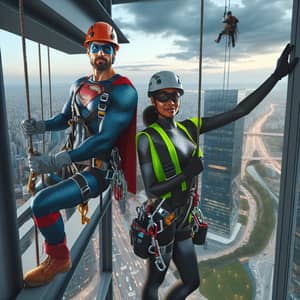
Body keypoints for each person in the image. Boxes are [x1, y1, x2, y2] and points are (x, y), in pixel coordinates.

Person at [135, 44, 298, 300]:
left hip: (184, 217)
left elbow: (239, 111)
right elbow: (152, 189)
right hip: (165, 218)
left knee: (192, 281)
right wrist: (187, 173)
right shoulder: (146, 139)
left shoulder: (190, 127)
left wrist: (276, 76)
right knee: (155, 281)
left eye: (174, 96)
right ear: (153, 101)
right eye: (163, 97)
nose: (170, 102)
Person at [21, 21, 138, 287]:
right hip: (72, 161)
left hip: (97, 170)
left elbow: (103, 140)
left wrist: (56, 160)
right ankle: (58, 230)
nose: (101, 53)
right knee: (39, 189)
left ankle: (59, 257)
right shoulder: (79, 85)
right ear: (88, 50)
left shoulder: (123, 92)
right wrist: (41, 126)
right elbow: (65, 118)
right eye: (96, 47)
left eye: (107, 48)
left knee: (40, 203)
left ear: (114, 53)